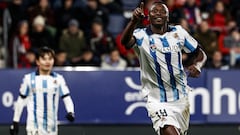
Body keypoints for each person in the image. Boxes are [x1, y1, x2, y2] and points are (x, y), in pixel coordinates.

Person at [121, 1, 207, 135]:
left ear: (168, 16)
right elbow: (125, 43)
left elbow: (200, 53)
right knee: (167, 128)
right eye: (154, 11)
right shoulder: (140, 35)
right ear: (148, 17)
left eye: (162, 11)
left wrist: (197, 65)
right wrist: (133, 21)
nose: (158, 14)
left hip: (180, 98)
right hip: (156, 100)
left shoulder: (178, 32)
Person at [10, 47, 75, 135]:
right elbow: (21, 100)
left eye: (50, 59)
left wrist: (71, 111)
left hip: (51, 127)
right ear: (37, 61)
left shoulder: (59, 79)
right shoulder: (29, 79)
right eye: (44, 59)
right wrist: (15, 121)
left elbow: (66, 97)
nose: (47, 62)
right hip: (34, 128)